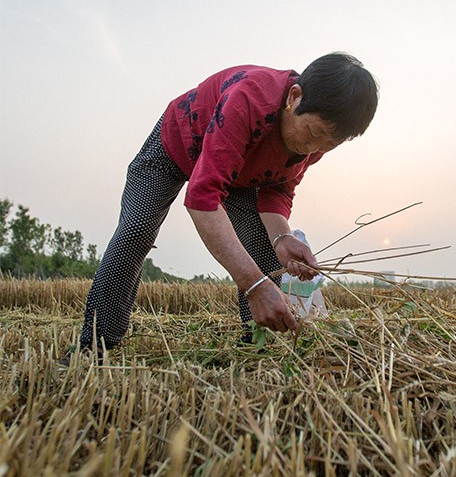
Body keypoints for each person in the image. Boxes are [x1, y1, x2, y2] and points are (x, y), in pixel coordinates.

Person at [79, 52, 379, 352]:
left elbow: (278, 189)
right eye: (315, 133)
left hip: (242, 171)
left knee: (264, 248)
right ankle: (96, 344)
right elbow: (202, 198)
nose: (316, 148)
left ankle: (255, 346)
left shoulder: (316, 139)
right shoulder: (249, 99)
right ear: (295, 97)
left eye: (331, 143)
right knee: (137, 230)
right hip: (176, 145)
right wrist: (254, 285)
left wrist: (282, 237)